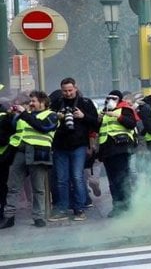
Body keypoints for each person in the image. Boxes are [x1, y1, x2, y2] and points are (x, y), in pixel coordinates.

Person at [0, 91, 58, 229]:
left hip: (39, 153)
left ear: (43, 102)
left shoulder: (52, 115)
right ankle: (9, 217)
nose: (30, 104)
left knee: (38, 188)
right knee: (12, 186)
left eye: (34, 101)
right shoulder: (25, 116)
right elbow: (13, 128)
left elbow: (43, 127)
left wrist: (24, 114)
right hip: (20, 152)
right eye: (30, 101)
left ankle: (38, 217)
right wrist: (10, 114)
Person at [48, 78, 99, 222]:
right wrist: (56, 117)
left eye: (70, 90)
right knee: (61, 179)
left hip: (79, 145)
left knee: (77, 177)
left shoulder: (85, 103)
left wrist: (83, 116)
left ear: (76, 88)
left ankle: (79, 208)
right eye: (65, 91)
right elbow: (48, 122)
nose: (68, 93)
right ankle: (62, 208)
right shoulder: (56, 103)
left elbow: (96, 123)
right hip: (60, 146)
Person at [97, 90, 138, 218]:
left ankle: (126, 206)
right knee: (112, 181)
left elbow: (131, 124)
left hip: (121, 149)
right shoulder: (103, 112)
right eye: (109, 98)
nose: (110, 100)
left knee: (122, 179)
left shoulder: (125, 109)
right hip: (107, 150)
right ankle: (117, 206)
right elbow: (97, 128)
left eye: (114, 98)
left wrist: (117, 115)